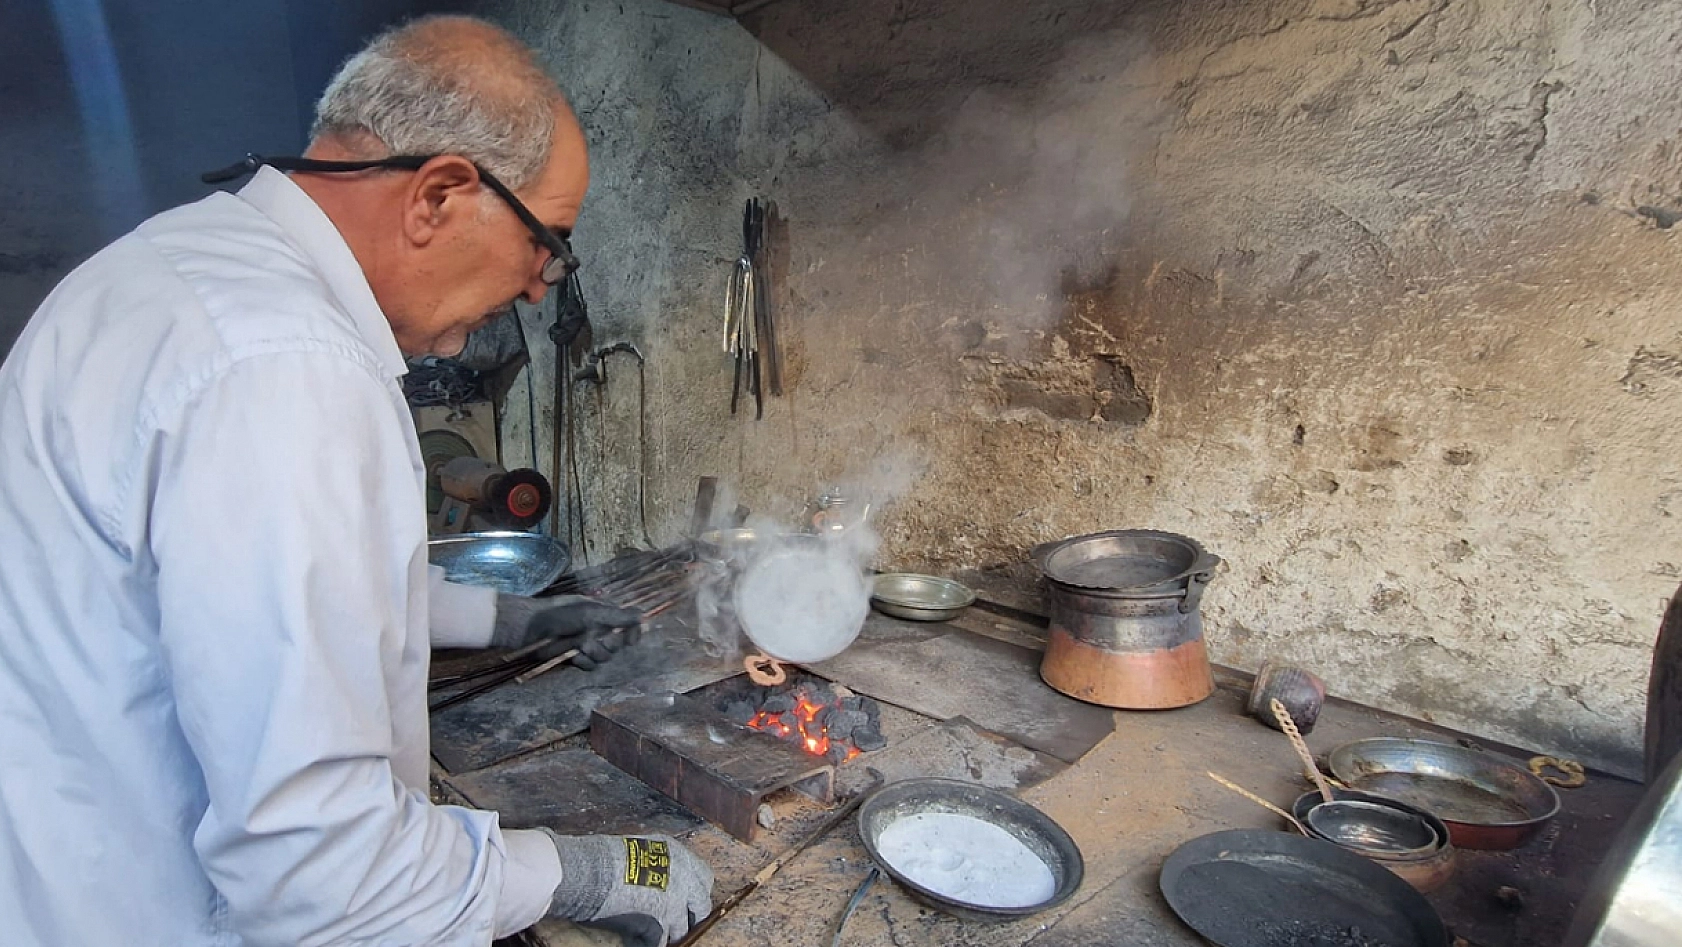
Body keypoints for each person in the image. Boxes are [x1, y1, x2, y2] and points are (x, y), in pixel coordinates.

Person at [0, 15, 712, 947]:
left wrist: (510, 618)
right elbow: (326, 873)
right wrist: (581, 871)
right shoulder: (285, 367)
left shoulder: (166, 271)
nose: (544, 286)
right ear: (442, 196)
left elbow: (259, 592)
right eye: (551, 242)